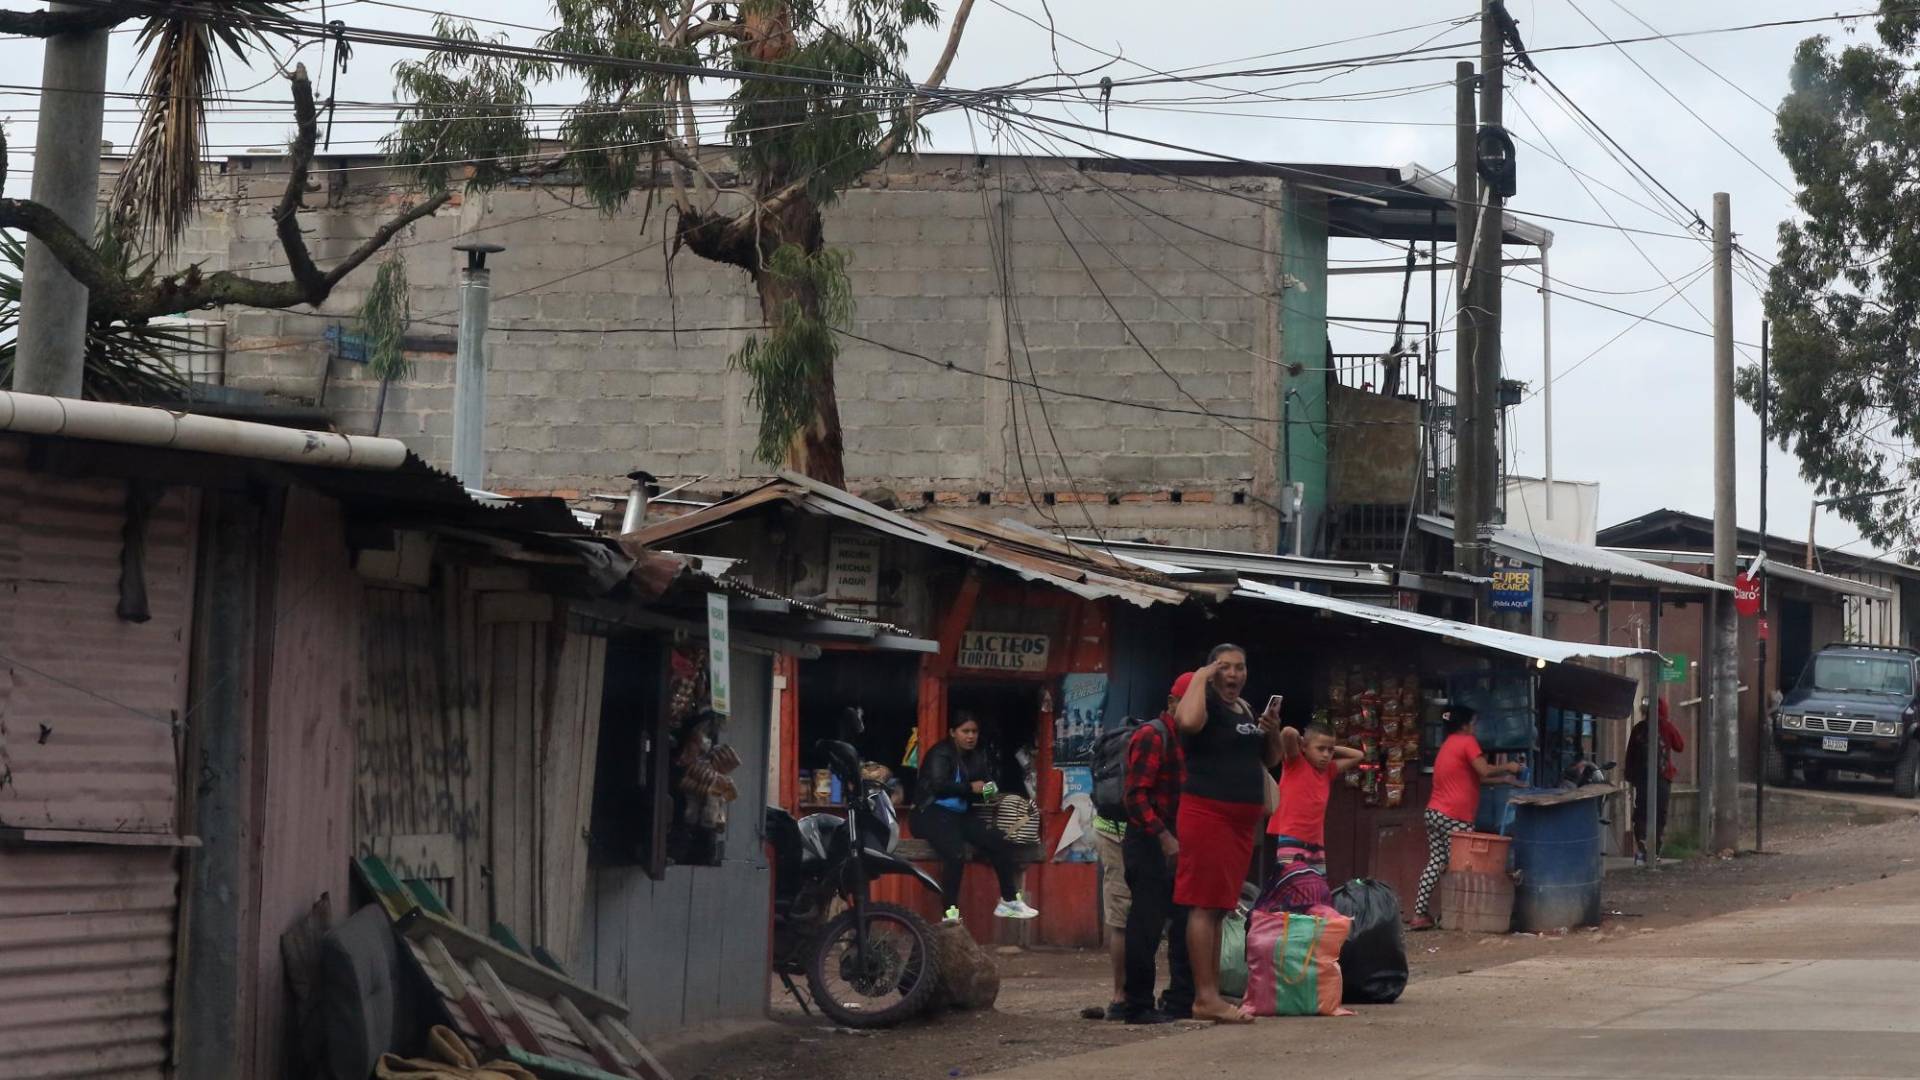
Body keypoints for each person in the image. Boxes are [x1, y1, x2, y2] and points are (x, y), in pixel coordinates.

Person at [1173, 645, 1283, 1024]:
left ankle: (1213, 993)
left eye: (1240, 667)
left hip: (1239, 823)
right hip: (1208, 814)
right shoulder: (1203, 703)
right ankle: (1204, 997)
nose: (1234, 674)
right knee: (1204, 904)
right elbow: (1185, 723)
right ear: (1213, 670)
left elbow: (1269, 760)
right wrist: (1202, 675)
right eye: (1226, 668)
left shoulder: (1248, 708)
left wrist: (1270, 732)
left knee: (1221, 906)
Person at [1120, 673, 1196, 1025]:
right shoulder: (1153, 735)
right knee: (1146, 926)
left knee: (1183, 925)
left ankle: (1179, 999)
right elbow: (1135, 795)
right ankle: (1137, 1004)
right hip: (1150, 842)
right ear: (1172, 703)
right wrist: (1164, 837)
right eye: (1189, 701)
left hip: (1181, 843)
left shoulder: (1193, 740)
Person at [912, 713, 1038, 920]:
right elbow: (937, 785)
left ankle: (1009, 901)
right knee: (955, 854)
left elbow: (987, 783)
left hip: (959, 814)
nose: (970, 736)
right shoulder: (940, 753)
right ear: (953, 733)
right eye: (965, 731)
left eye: (974, 732)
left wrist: (990, 790)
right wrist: (969, 787)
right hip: (931, 813)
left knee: (998, 839)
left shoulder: (976, 756)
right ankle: (949, 914)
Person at [1410, 705, 1524, 931]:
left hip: (1434, 813)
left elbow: (1473, 779)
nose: (1475, 727)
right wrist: (1509, 767)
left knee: (1436, 862)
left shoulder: (1448, 744)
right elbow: (1484, 771)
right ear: (1464, 725)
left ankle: (1419, 914)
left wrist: (1505, 781)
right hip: (1456, 816)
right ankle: (1459, 915)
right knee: (1464, 866)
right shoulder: (1467, 742)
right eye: (1473, 723)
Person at [1261, 722, 1363, 913]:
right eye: (1320, 749)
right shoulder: (1294, 763)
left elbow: (1358, 755)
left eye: (1330, 750)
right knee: (1290, 888)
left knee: (1318, 892)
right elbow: (1288, 732)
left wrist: (1326, 745)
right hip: (1292, 840)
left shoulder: (1327, 771)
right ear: (1304, 748)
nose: (1326, 755)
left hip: (1317, 845)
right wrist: (1304, 743)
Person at [1080, 809, 1131, 1021]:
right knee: (1123, 917)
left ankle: (1124, 995)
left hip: (1114, 828)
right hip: (1121, 832)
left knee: (1122, 916)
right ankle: (1121, 995)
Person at [1626, 698, 1686, 867]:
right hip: (1662, 778)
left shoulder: (1638, 729)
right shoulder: (1666, 727)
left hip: (1642, 780)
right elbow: (1680, 746)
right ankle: (1655, 850)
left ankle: (1643, 847)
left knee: (1642, 813)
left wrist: (1630, 778)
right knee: (1660, 814)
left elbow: (1630, 755)